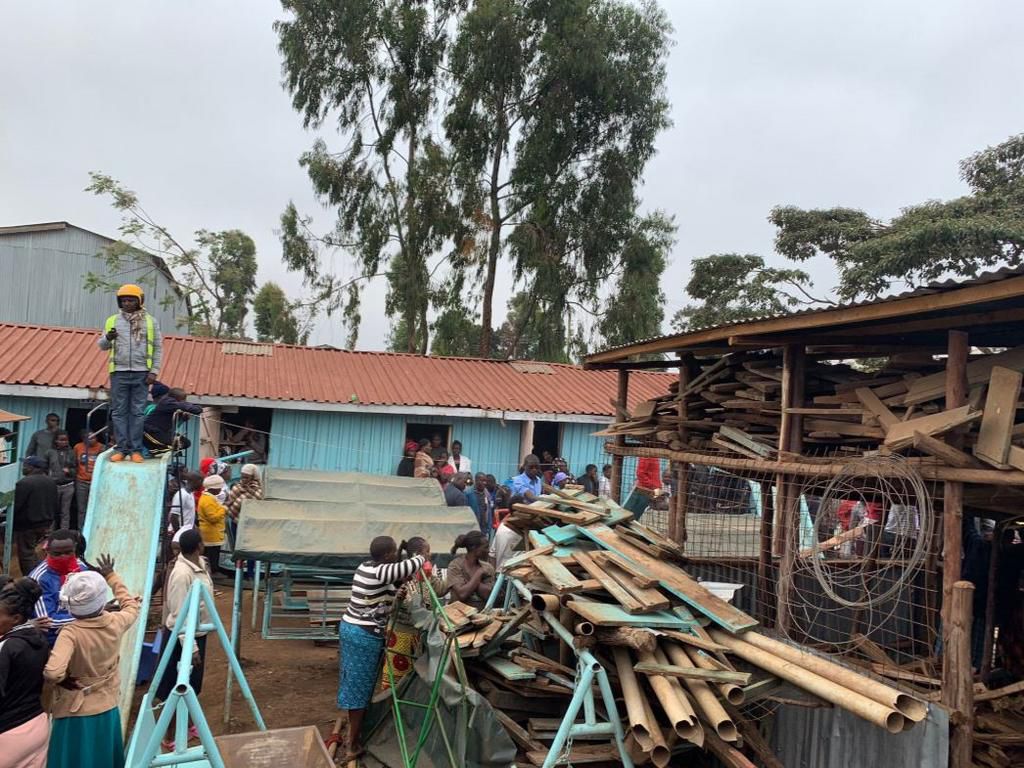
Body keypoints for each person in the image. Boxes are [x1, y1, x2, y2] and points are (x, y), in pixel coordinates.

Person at [44, 554, 140, 768]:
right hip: (106, 705)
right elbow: (131, 605)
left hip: (75, 711)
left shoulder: (70, 633)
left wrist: (62, 679)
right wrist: (111, 576)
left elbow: (52, 672)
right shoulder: (116, 622)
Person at [338, 536, 425, 763]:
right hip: (361, 636)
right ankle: (352, 745)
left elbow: (378, 602)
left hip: (355, 630)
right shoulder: (378, 572)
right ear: (387, 555)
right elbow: (413, 564)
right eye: (394, 552)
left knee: (359, 686)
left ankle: (353, 736)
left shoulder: (366, 567)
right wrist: (421, 553)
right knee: (359, 688)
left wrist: (394, 598)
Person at [156, 529, 211, 750]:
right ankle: (169, 735)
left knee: (193, 685)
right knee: (174, 686)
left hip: (198, 632)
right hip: (182, 638)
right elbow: (178, 613)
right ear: (199, 545)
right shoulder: (181, 574)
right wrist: (192, 646)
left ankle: (187, 725)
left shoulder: (200, 564)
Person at [97, 283, 163, 463]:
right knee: (118, 412)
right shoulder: (112, 321)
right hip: (119, 372)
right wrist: (108, 338)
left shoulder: (150, 321)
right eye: (124, 300)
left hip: (142, 372)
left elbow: (158, 348)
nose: (127, 303)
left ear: (139, 301)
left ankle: (135, 450)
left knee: (137, 412)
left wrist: (154, 372)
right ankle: (121, 448)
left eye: (131, 300)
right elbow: (102, 346)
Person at [0, 577, 50, 768]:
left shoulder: (7, 647)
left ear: (16, 619)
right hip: (37, 724)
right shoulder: (39, 639)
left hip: (8, 733)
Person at [27, 529, 89, 647]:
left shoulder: (81, 568)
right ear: (48, 551)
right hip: (53, 640)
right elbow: (47, 621)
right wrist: (88, 616)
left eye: (68, 552)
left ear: (75, 549)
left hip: (81, 629)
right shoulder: (39, 579)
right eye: (57, 554)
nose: (63, 557)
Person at [12, 457, 58, 575]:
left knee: (26, 554)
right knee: (34, 551)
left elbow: (17, 505)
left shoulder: (24, 483)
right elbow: (55, 503)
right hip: (45, 523)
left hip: (27, 525)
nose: (23, 467)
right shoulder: (50, 481)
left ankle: (31, 578)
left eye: (26, 465)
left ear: (33, 468)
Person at [143, 387, 202, 454]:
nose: (184, 401)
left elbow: (192, 409)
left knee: (186, 443)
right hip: (150, 432)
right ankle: (157, 450)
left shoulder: (172, 405)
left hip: (162, 432)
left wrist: (184, 416)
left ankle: (159, 450)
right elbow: (193, 409)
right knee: (176, 444)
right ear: (177, 398)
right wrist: (191, 408)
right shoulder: (166, 403)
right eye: (183, 400)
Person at [447, 530, 495, 609]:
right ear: (473, 548)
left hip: (482, 615)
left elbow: (488, 595)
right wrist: (479, 573)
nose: (488, 550)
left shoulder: (488, 568)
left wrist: (470, 583)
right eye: (485, 547)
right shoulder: (455, 566)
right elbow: (462, 594)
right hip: (458, 614)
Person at [197, 475, 227, 578]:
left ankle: (212, 571)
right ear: (213, 489)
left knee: (213, 553)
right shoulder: (207, 501)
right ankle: (212, 572)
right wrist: (224, 509)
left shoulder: (209, 498)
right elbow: (213, 518)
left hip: (212, 532)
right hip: (210, 533)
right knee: (211, 554)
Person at [44, 431, 75, 530]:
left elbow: (76, 469)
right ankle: (49, 534)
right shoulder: (49, 452)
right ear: (56, 441)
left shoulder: (71, 452)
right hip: (53, 485)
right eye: (61, 440)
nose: (64, 442)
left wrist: (69, 471)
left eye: (66, 440)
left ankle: (64, 533)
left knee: (65, 512)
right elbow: (44, 467)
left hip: (68, 486)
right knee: (52, 511)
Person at [72, 431, 104, 529]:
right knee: (82, 509)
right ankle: (81, 530)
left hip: (96, 482)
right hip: (81, 481)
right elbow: (74, 463)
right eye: (89, 438)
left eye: (94, 437)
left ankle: (94, 528)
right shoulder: (78, 447)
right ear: (83, 439)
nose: (92, 440)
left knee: (96, 507)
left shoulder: (102, 447)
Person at [489, 497, 527, 571]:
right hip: (511, 576)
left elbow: (492, 555)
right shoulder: (516, 532)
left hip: (500, 574)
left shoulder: (502, 526)